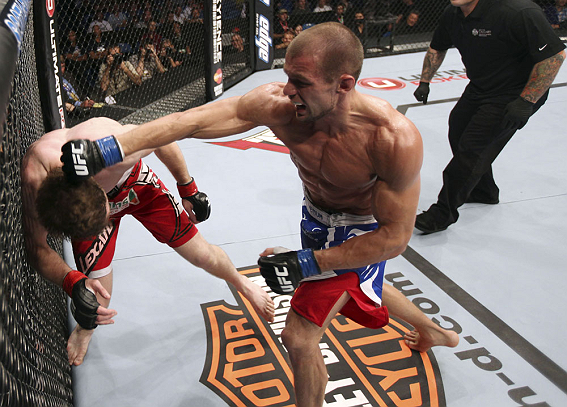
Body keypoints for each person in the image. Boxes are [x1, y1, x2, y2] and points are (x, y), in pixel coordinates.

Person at [61, 22, 459, 406]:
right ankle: (433, 330)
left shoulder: (391, 138)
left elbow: (393, 238)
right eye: (287, 76)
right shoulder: (282, 106)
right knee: (349, 283)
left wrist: (310, 262)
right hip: (315, 218)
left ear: (344, 85)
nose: (288, 90)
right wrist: (111, 148)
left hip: (360, 231)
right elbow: (190, 121)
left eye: (301, 82)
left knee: (300, 337)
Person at [22, 117, 275, 366]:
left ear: (97, 184)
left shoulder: (106, 149)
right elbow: (37, 249)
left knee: (201, 255)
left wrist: (187, 187)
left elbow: (162, 134)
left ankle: (241, 281)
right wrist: (72, 281)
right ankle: (85, 329)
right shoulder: (37, 182)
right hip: (87, 209)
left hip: (133, 184)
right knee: (97, 300)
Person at [412, 0, 565, 234]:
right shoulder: (453, 14)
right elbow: (437, 47)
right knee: (457, 129)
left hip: (517, 92)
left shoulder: (517, 12)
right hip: (483, 86)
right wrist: (425, 81)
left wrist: (526, 101)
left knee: (472, 149)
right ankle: (484, 191)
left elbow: (554, 57)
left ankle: (442, 212)